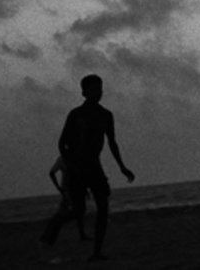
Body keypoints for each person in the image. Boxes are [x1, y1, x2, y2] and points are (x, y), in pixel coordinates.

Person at [41, 75, 135, 262]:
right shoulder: (76, 115)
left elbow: (112, 143)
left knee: (103, 207)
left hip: (95, 166)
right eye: (93, 89)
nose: (98, 92)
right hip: (77, 167)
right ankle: (52, 228)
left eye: (100, 88)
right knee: (78, 211)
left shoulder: (106, 115)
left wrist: (122, 167)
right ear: (84, 92)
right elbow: (62, 143)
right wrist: (71, 165)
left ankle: (96, 252)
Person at [49, 154, 90, 241]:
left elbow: (81, 174)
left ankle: (82, 234)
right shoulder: (64, 159)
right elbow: (52, 173)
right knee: (73, 212)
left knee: (79, 211)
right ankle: (55, 227)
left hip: (75, 188)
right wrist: (58, 187)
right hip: (68, 189)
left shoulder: (73, 158)